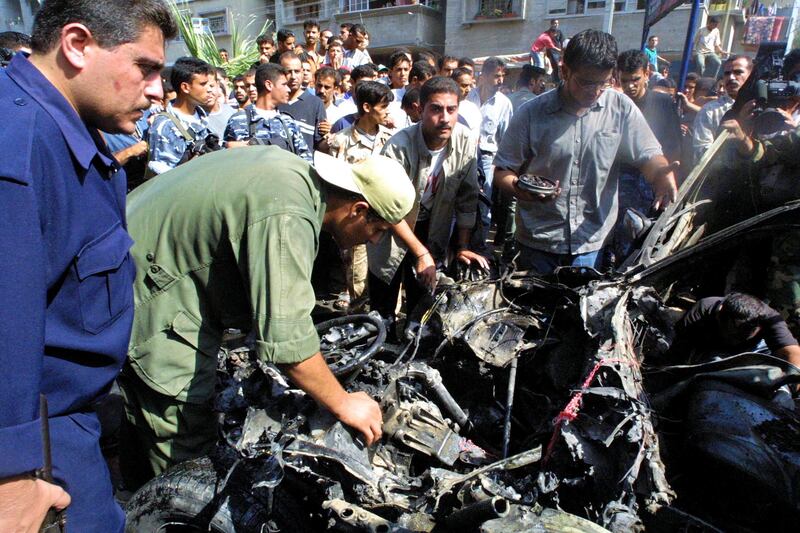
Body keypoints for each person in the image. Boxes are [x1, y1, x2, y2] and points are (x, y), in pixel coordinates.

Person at [119, 146, 415, 486]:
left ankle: (132, 491)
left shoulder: (292, 171)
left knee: (143, 413)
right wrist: (344, 402)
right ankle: (163, 506)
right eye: (379, 231)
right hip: (150, 292)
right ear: (359, 210)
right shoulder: (289, 214)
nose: (375, 240)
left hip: (137, 258)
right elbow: (287, 344)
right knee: (183, 431)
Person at [0, 1, 176, 531]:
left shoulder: (65, 128)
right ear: (77, 45)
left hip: (68, 428)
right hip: (37, 454)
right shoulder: (20, 149)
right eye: (145, 67)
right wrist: (10, 480)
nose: (157, 90)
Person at [493, 30, 678, 274]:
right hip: (539, 243)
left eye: (604, 82)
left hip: (591, 244)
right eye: (586, 82)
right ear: (564, 71)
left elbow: (648, 153)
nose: (595, 91)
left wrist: (661, 174)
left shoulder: (620, 108)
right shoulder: (530, 114)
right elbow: (503, 171)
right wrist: (522, 191)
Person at [369, 76, 488, 323]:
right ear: (420, 110)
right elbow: (388, 210)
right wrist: (421, 254)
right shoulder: (398, 147)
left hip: (433, 227)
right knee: (383, 307)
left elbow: (467, 199)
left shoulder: (465, 140)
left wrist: (463, 247)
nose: (445, 118)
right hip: (393, 229)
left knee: (422, 305)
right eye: (435, 109)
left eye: (451, 110)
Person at [329, 81, 396, 311]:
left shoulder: (391, 140)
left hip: (385, 221)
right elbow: (335, 186)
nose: (387, 112)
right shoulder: (340, 141)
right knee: (357, 277)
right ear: (367, 107)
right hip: (356, 222)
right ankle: (359, 323)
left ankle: (387, 325)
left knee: (387, 275)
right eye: (383, 106)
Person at [611, 49, 682, 265]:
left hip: (654, 180)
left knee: (646, 236)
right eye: (625, 80)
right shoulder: (617, 105)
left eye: (635, 79)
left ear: (647, 73)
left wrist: (666, 177)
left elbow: (674, 144)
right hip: (622, 180)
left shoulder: (663, 103)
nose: (630, 86)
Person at [668, 293, 800, 368]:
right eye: (732, 335)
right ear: (719, 316)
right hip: (711, 352)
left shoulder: (769, 317)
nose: (735, 340)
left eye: (742, 335)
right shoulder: (703, 310)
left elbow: (792, 353)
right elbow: (679, 349)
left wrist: (792, 385)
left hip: (753, 351)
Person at [467, 56, 513, 250]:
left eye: (503, 76)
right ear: (483, 76)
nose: (500, 80)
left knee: (484, 202)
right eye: (496, 76)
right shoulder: (469, 97)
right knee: (463, 200)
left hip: (487, 158)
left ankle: (480, 248)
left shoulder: (504, 104)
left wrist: (497, 165)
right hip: (466, 154)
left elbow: (505, 139)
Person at [224, 63, 311, 161]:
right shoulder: (239, 120)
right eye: (284, 84)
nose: (288, 89)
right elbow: (225, 160)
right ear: (269, 85)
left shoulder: (288, 122)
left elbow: (305, 160)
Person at [148, 56, 214, 176]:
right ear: (185, 87)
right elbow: (164, 177)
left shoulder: (201, 116)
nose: (209, 90)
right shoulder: (165, 125)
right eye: (203, 84)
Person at [692, 55, 752, 161]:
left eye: (738, 72)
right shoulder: (709, 110)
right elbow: (701, 154)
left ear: (751, 75)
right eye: (727, 73)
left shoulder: (761, 107)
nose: (731, 78)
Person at [278, 52, 328, 150]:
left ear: (302, 72)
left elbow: (320, 144)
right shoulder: (274, 102)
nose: (293, 76)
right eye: (288, 72)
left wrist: (330, 140)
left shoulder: (315, 103)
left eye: (296, 71)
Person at [204, 69, 237, 138]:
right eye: (203, 86)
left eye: (211, 86)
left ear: (218, 85)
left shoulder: (231, 112)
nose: (208, 90)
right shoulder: (195, 118)